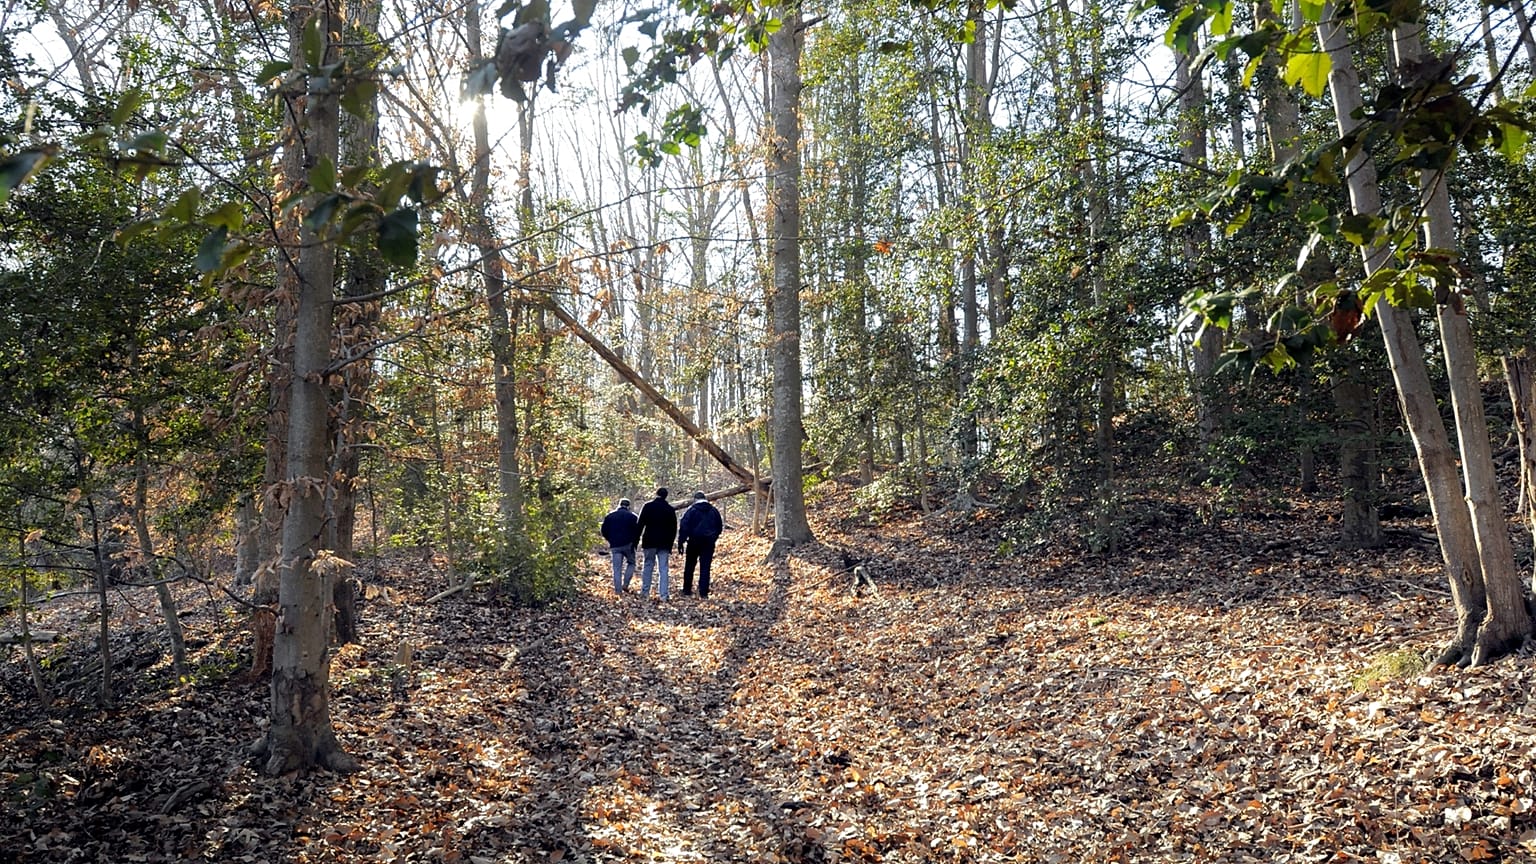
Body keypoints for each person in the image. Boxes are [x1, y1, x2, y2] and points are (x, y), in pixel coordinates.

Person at [677, 490, 724, 599]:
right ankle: (703, 592)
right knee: (705, 567)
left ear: (695, 499)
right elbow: (719, 527)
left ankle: (687, 590)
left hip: (693, 542)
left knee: (689, 565)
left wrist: (681, 542)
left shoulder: (691, 511)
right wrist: (713, 538)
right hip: (708, 543)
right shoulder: (714, 511)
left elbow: (684, 526)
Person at [634, 487, 677, 601]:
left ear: (656, 494)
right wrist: (670, 544)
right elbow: (673, 529)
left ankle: (645, 592)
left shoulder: (648, 506)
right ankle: (664, 595)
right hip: (664, 543)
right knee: (663, 569)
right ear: (666, 496)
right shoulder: (669, 509)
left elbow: (640, 524)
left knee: (648, 566)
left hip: (649, 541)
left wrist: (636, 541)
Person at [600, 497, 640, 594]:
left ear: (619, 504)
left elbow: (604, 531)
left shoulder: (610, 516)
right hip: (628, 545)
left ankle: (618, 591)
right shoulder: (633, 517)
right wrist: (634, 543)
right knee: (631, 563)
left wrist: (610, 540)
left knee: (617, 568)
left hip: (615, 546)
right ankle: (625, 584)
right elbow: (637, 532)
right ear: (628, 506)